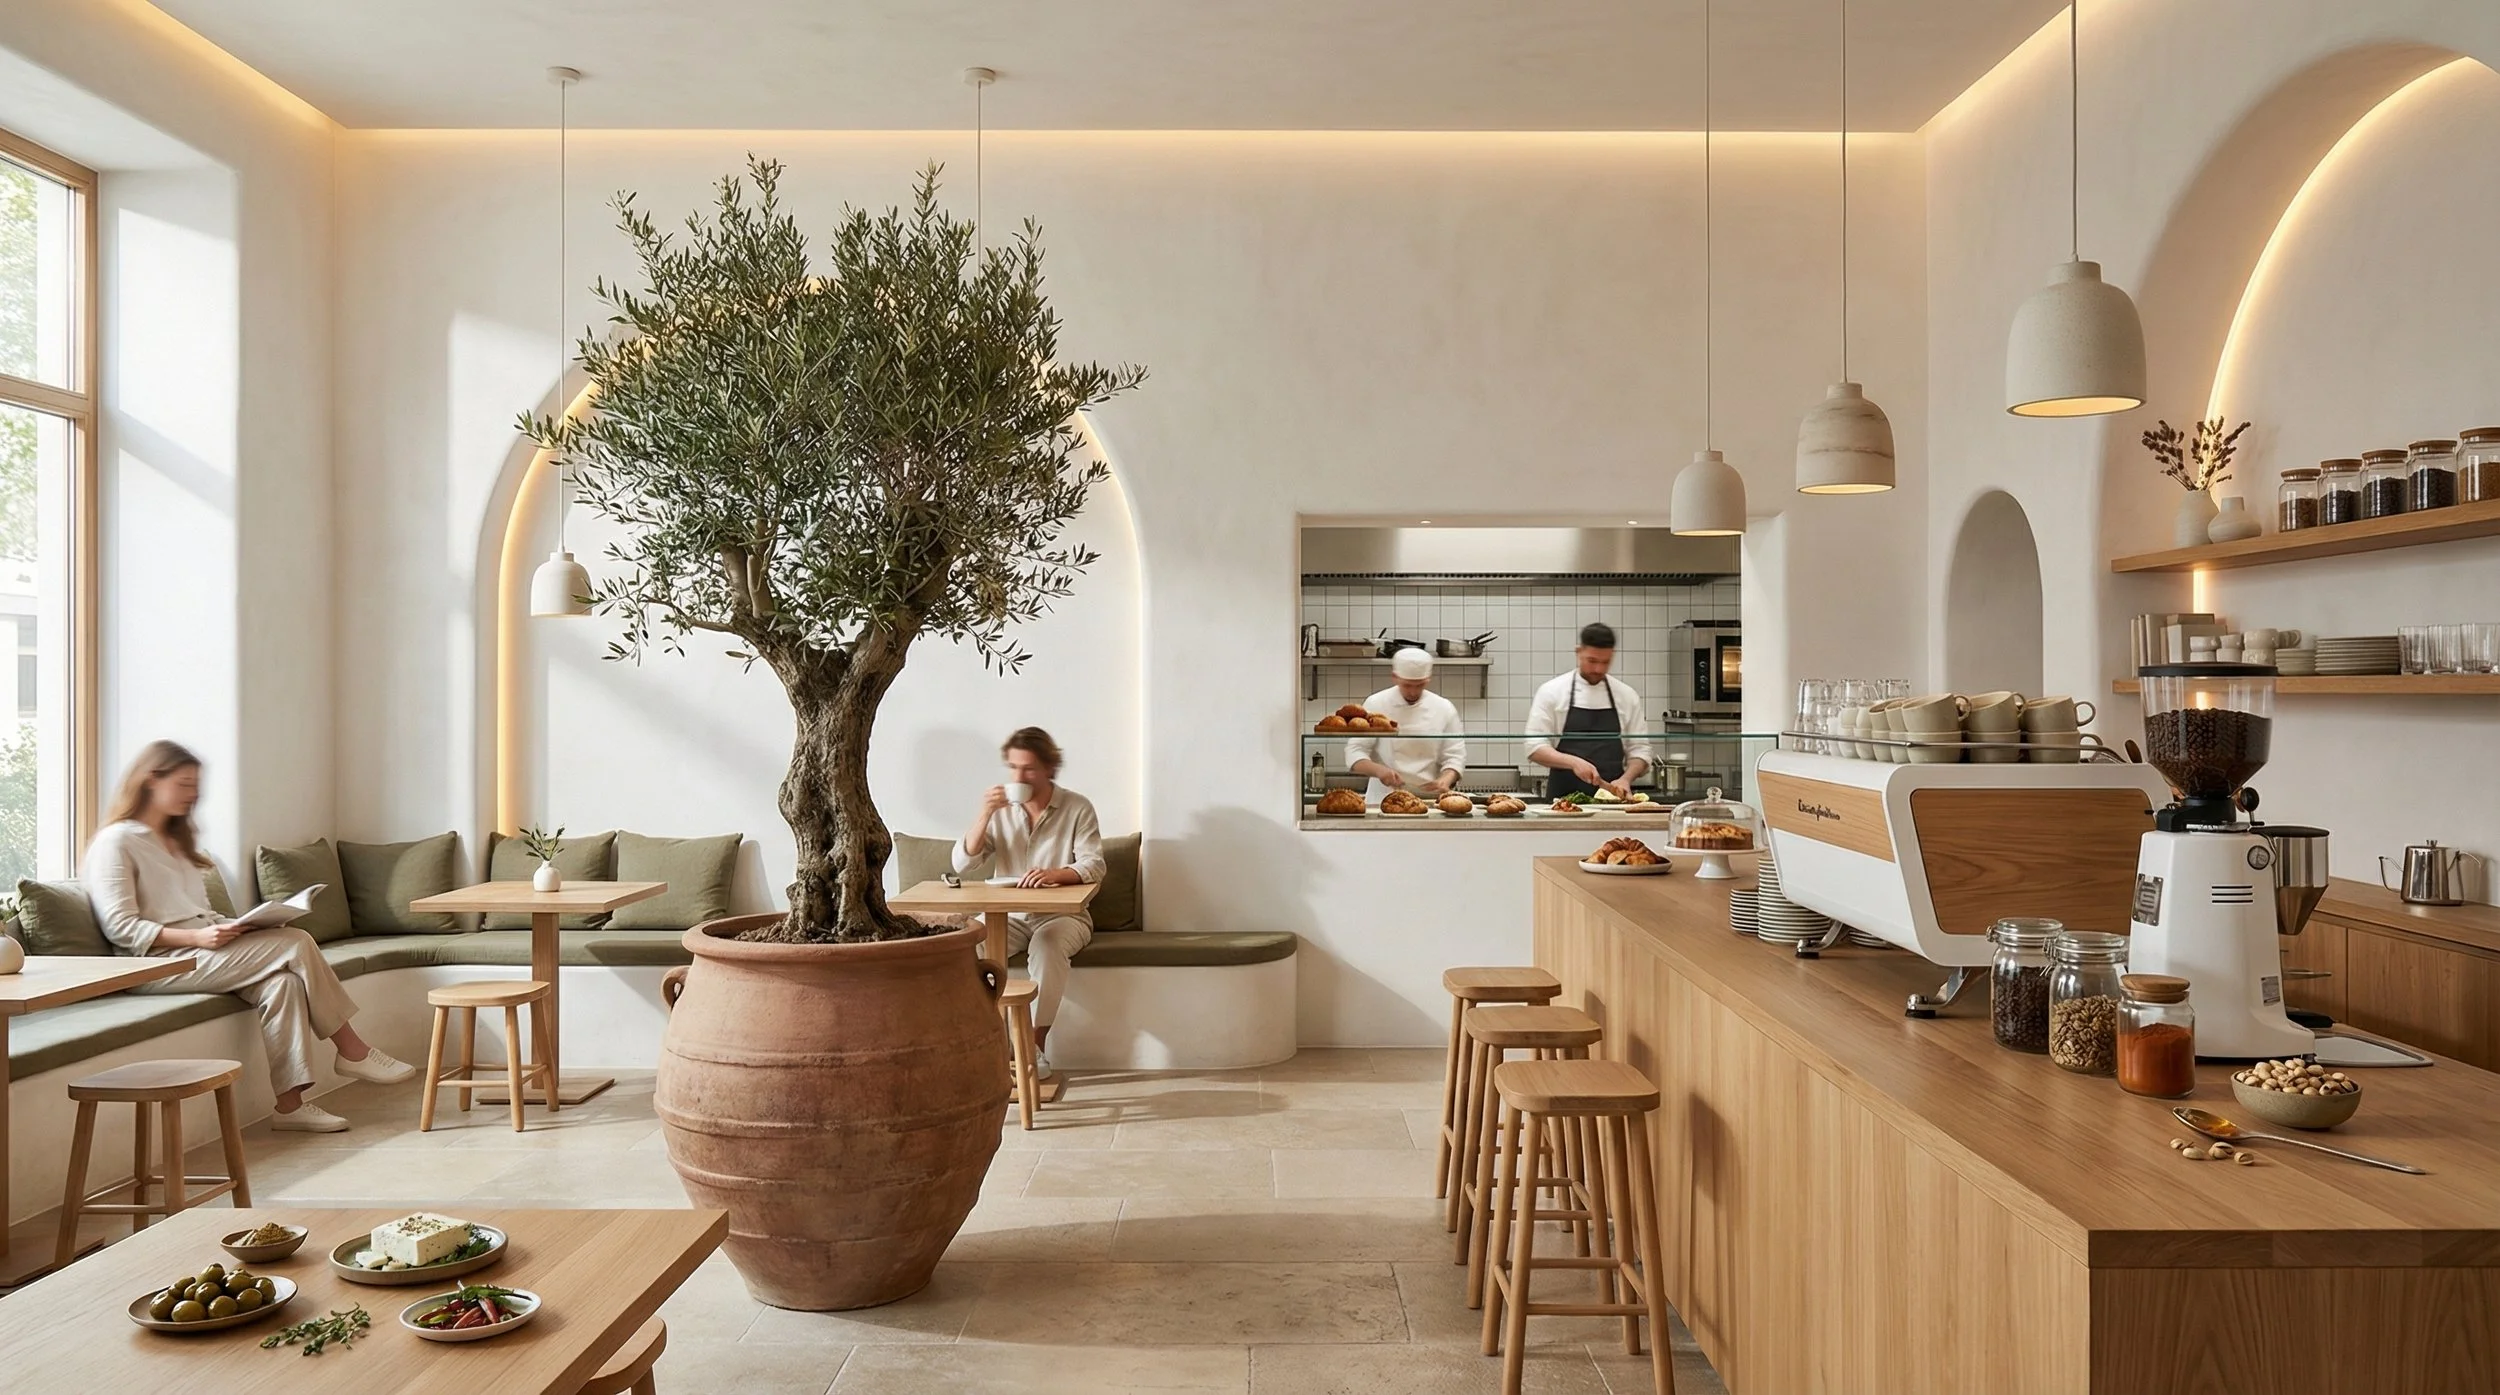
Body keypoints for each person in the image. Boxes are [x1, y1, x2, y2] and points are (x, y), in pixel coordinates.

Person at [83, 741, 415, 1133]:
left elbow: (197, 914)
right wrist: (198, 939)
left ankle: (290, 1106)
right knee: (295, 942)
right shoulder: (116, 842)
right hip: (156, 963)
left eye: (196, 787)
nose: (193, 795)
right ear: (151, 780)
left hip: (201, 951)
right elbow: (121, 928)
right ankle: (351, 1048)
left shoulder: (175, 842)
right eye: (184, 784)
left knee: (284, 982)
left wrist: (242, 926)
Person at [957, 727, 1104, 1098]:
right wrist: (984, 814)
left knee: (1048, 945)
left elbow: (1094, 864)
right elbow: (962, 864)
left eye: (1029, 769)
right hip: (1009, 917)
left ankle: (1035, 1046)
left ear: (1050, 768)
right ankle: (993, 1044)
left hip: (1064, 917)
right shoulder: (1001, 812)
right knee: (964, 949)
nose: (1019, 778)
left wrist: (1056, 874)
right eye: (1013, 768)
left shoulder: (1077, 807)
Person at [1524, 622, 1653, 801]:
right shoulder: (1552, 691)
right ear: (1579, 652)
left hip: (1613, 802)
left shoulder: (1626, 695)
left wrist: (1625, 779)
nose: (1598, 669)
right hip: (1563, 803)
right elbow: (1534, 747)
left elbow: (1640, 751)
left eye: (1605, 662)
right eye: (1592, 661)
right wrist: (1574, 762)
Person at [1345, 647, 1466, 802]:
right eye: (1407, 685)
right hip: (1384, 798)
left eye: (1419, 685)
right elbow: (1354, 752)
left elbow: (1455, 755)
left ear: (1428, 679)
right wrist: (1379, 771)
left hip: (1428, 799)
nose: (1413, 692)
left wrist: (1446, 778)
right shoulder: (1376, 703)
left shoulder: (1443, 707)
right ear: (1395, 677)